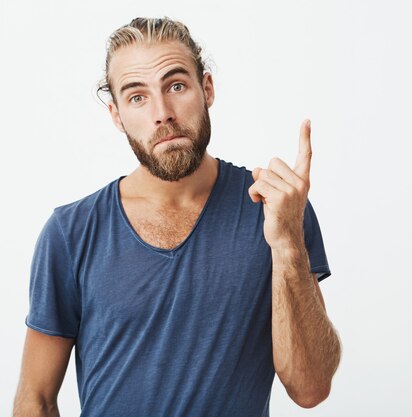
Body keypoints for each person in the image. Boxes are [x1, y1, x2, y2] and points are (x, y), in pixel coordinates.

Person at [13, 17, 341, 417]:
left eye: (176, 86)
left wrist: (288, 242)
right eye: (138, 97)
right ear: (117, 116)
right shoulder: (70, 233)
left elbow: (311, 389)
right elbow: (36, 400)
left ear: (206, 89)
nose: (162, 113)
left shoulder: (275, 210)